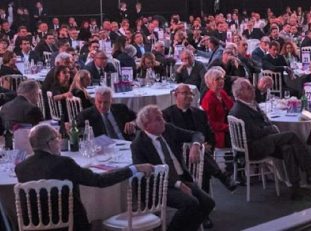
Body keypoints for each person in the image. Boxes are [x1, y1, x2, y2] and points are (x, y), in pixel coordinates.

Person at [15, 124, 154, 231]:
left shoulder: (20, 168)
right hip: (70, 224)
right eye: (57, 139)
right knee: (98, 223)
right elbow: (99, 181)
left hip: (34, 224)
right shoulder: (64, 163)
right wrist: (135, 168)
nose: (59, 143)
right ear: (50, 142)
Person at [228, 78, 311, 199]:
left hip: (262, 141)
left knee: (288, 148)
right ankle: (310, 172)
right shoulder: (240, 110)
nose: (253, 89)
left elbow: (263, 122)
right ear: (239, 93)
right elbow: (255, 133)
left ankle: (295, 188)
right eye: (249, 88)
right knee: (291, 136)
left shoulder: (250, 104)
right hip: (253, 147)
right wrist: (271, 129)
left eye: (251, 87)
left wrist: (269, 127)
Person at [163, 84, 237, 228]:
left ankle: (204, 214)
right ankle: (222, 176)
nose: (188, 97)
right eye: (184, 94)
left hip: (199, 153)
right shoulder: (167, 115)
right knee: (202, 160)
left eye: (190, 94)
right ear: (175, 95)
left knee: (202, 165)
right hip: (178, 155)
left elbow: (208, 134)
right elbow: (168, 139)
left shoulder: (199, 113)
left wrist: (206, 145)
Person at [131, 105, 215, 231]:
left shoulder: (168, 129)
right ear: (146, 125)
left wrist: (196, 145)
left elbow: (197, 134)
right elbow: (148, 173)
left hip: (181, 178)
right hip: (158, 186)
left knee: (208, 202)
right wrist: (176, 184)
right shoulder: (138, 144)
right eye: (158, 119)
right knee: (191, 203)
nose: (163, 121)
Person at [200, 67, 233, 148]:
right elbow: (210, 124)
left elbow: (232, 107)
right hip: (218, 133)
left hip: (229, 127)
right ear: (210, 82)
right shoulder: (208, 99)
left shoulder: (222, 93)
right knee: (244, 139)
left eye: (222, 78)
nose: (221, 81)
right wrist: (228, 127)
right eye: (217, 79)